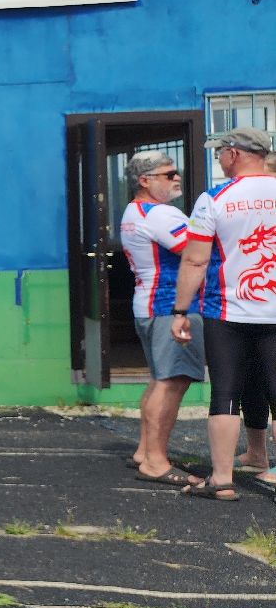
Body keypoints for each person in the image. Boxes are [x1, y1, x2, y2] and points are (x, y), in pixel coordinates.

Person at [171, 126, 276, 501]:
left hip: (227, 311)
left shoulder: (213, 199)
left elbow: (195, 260)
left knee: (226, 393)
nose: (218, 158)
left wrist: (180, 310)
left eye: (220, 152)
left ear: (234, 153)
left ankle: (222, 480)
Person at [116, 151, 208, 487]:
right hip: (171, 307)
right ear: (145, 180)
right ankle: (155, 461)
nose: (176, 177)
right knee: (171, 382)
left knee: (160, 380)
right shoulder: (161, 214)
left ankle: (145, 452)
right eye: (168, 173)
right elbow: (198, 250)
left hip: (152, 305)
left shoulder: (133, 211)